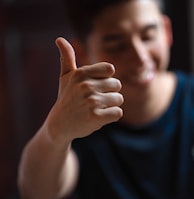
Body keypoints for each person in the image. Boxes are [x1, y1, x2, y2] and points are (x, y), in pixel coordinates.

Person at [18, 0, 194, 198]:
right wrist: (56, 132)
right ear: (83, 52)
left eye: (148, 35)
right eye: (117, 45)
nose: (140, 57)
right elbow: (37, 192)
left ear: (167, 30)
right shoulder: (79, 120)